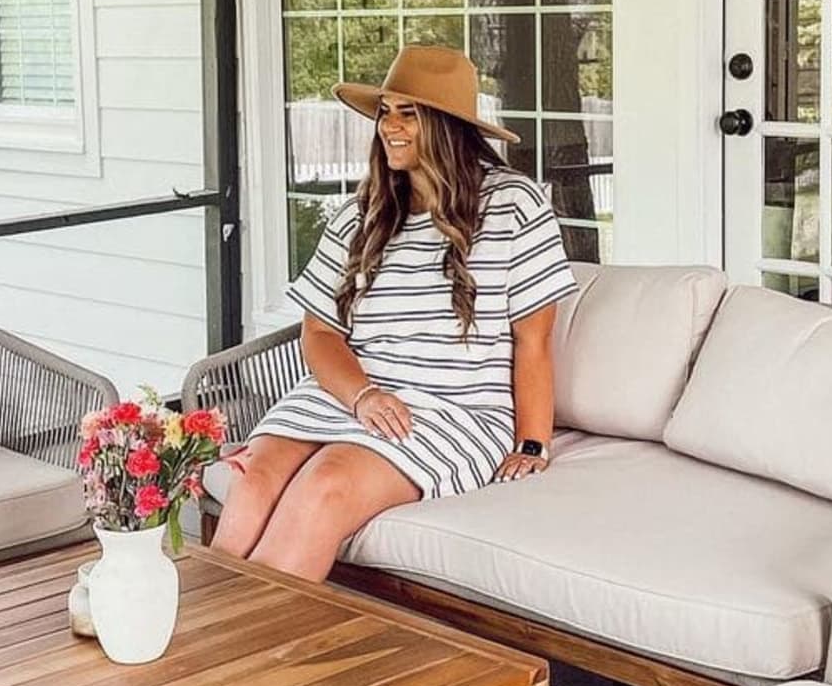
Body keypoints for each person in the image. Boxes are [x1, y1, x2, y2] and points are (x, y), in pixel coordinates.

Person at [215, 43, 576, 581]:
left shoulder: (514, 205)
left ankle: (243, 654)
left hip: (452, 412)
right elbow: (319, 333)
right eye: (385, 111)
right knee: (253, 479)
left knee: (324, 485)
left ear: (448, 127)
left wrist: (532, 444)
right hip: (349, 396)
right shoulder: (360, 215)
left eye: (409, 113)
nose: (389, 126)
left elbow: (534, 342)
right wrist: (360, 395)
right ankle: (200, 640)